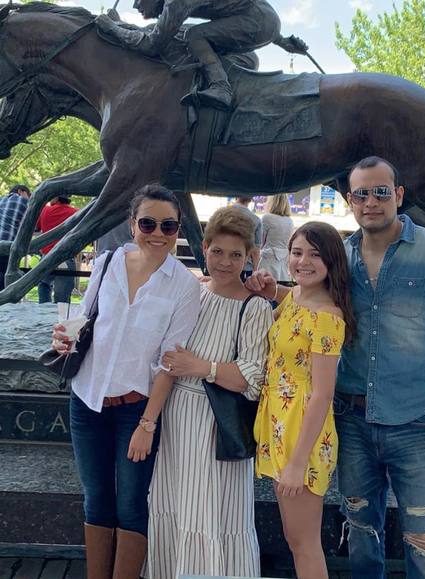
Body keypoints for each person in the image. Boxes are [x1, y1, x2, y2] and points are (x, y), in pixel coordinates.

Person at [247, 156, 425, 579]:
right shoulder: (341, 255)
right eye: (361, 194)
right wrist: (276, 291)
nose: (371, 202)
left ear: (398, 195)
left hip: (415, 422)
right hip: (352, 420)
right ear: (349, 200)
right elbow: (315, 304)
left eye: (380, 192)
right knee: (360, 535)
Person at [51, 184, 200, 579]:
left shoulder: (183, 286)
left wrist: (147, 424)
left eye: (168, 226)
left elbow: (170, 362)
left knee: (132, 504)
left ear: (178, 230)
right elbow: (85, 319)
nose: (158, 233)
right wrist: (63, 336)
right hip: (87, 401)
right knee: (96, 498)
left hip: (136, 410)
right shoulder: (107, 263)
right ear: (133, 225)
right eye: (148, 223)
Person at [148, 206, 273, 578]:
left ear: (250, 257)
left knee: (212, 512)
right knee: (173, 503)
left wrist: (202, 367)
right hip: (176, 417)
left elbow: (253, 377)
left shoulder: (254, 307)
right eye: (217, 251)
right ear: (204, 248)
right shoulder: (193, 292)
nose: (225, 262)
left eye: (236, 255)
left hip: (217, 424)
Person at [254, 221, 356, 579]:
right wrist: (269, 287)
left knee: (304, 542)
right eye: (297, 253)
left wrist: (298, 463)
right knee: (293, 536)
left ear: (332, 261)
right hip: (280, 425)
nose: (303, 261)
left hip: (303, 436)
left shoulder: (328, 317)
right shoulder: (296, 297)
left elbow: (323, 393)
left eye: (314, 255)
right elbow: (285, 300)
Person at [95, 0, 308, 111]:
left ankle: (221, 87)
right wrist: (282, 41)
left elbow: (153, 44)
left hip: (259, 22)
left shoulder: (175, 3)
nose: (136, 5)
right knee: (189, 34)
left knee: (194, 35)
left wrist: (113, 29)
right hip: (264, 20)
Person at [37, 196, 78, 304]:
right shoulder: (76, 213)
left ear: (57, 198)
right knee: (62, 297)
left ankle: (44, 310)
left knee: (44, 285)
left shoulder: (45, 210)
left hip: (46, 256)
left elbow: (37, 227)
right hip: (65, 258)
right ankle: (61, 313)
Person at [0, 184, 30, 291]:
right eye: (28, 194)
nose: (29, 197)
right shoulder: (26, 203)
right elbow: (29, 226)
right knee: (5, 275)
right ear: (20, 191)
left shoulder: (1, 200)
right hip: (8, 245)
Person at [258, 193, 294, 283]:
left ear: (272, 201)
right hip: (283, 260)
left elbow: (260, 242)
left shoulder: (267, 218)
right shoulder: (290, 221)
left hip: (268, 259)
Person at [234, 196, 262, 279]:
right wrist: (255, 270)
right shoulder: (256, 219)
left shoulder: (221, 214)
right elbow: (255, 250)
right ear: (251, 198)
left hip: (222, 265)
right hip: (245, 267)